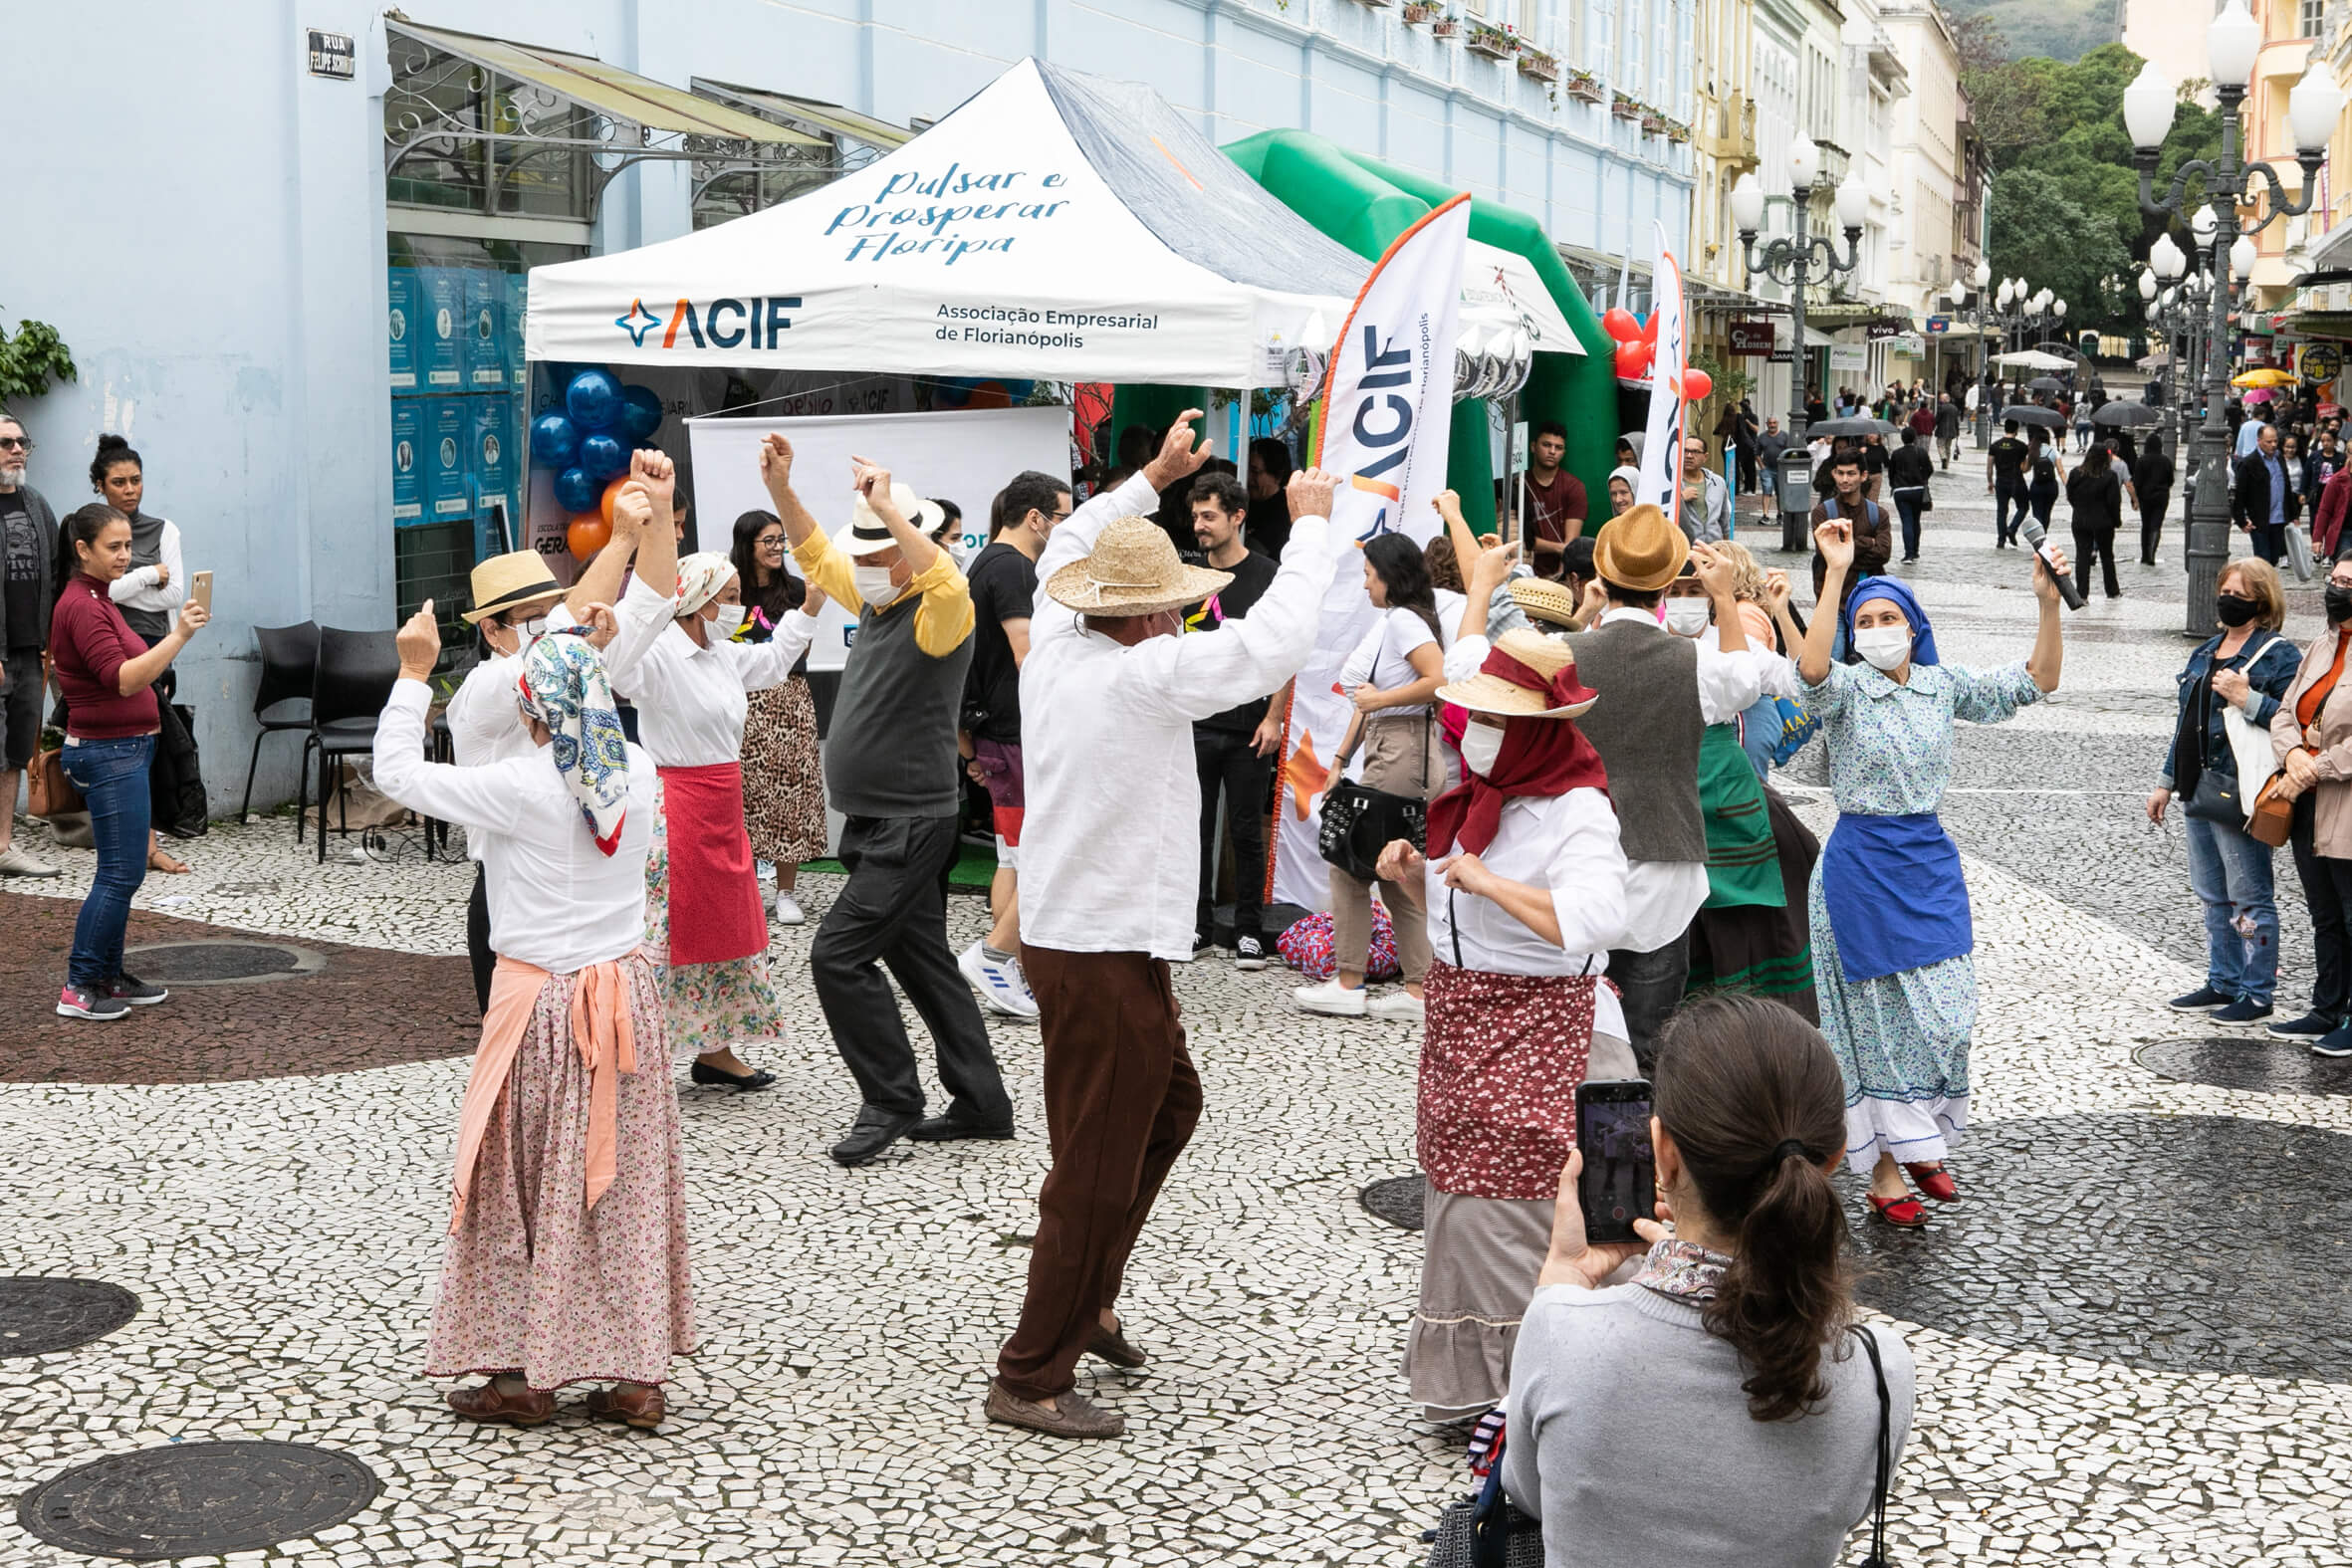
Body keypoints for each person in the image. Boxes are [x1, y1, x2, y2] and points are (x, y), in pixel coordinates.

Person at [987, 416, 1339, 1440]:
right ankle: (1031, 1370)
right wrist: (1308, 530)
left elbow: (1065, 538)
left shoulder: (1057, 644)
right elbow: (1272, 642)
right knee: (1093, 1164)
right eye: (1170, 610)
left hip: (1090, 937)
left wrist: (1152, 478)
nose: (1178, 623)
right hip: (1096, 946)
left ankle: (1088, 1298)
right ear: (1143, 619)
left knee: (1167, 1108)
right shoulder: (1141, 676)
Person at [373, 618, 692, 1431]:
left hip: (542, 1008)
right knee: (619, 1189)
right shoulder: (643, 774)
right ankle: (634, 1376)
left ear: (531, 709)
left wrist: (414, 675)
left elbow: (395, 771)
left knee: (518, 1186)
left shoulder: (521, 785)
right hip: (624, 1000)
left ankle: (524, 1377)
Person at [1504, 995, 1915, 1565]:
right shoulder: (1879, 1369)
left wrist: (1565, 1277)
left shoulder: (1562, 1330)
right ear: (1834, 1157)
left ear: (1663, 1151)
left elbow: (1527, 1491)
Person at [1370, 616, 1633, 1423]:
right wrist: (1415, 880)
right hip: (1467, 1029)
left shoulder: (1577, 810)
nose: (1474, 733)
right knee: (1466, 1200)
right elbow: (1466, 923)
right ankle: (1472, 1387)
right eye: (1474, 716)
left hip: (1548, 1030)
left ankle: (1548, 1384)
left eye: (1491, 720)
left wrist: (1487, 883)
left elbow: (1596, 918)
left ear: (1532, 731)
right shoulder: (1479, 798)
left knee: (1536, 1200)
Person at [755, 438, 1014, 1165]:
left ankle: (891, 1096)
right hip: (876, 817)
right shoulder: (879, 595)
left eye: (877, 558)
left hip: (912, 819)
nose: (861, 570)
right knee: (924, 959)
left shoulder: (940, 612)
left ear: (908, 553)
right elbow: (812, 550)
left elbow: (949, 583)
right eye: (861, 559)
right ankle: (983, 1101)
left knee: (837, 955)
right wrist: (783, 486)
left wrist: (889, 513)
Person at [1799, 521, 2065, 1226]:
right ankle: (1890, 1170)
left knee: (1948, 1014)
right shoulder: (1849, 689)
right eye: (1866, 620)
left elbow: (2037, 680)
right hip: (1857, 872)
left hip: (1927, 865)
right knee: (1878, 1028)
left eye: (1890, 618)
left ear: (1915, 629)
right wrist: (1835, 575)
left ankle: (1918, 1139)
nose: (1879, 628)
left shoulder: (1943, 686)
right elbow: (1811, 673)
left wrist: (2047, 602)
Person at [593, 461, 808, 1100]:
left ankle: (716, 1051)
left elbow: (770, 664)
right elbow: (619, 664)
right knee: (668, 928)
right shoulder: (656, 657)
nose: (738, 603)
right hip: (677, 802)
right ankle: (644, 1047)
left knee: (726, 927)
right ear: (700, 598)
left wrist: (811, 610)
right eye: (730, 593)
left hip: (722, 800)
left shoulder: (719, 653)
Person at [1565, 506, 1762, 1067]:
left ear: (1602, 580)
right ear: (1669, 587)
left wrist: (1582, 618)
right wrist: (1724, 597)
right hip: (1665, 866)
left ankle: (1579, 1149)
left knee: (1573, 1041)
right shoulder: (1694, 660)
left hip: (1576, 862)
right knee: (1648, 1045)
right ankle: (1645, 1149)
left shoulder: (1565, 656)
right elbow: (1745, 682)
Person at [49, 502, 208, 1019]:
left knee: (124, 872)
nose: (126, 557)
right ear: (82, 550)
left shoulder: (98, 598)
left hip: (124, 748)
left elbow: (136, 664)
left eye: (128, 546)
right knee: (118, 873)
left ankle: (107, 975)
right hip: (107, 752)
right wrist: (180, 635)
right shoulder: (81, 605)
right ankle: (80, 984)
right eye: (113, 547)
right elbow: (122, 678)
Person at [1294, 532, 1449, 1020]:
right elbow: (1373, 698)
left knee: (1349, 862)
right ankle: (1418, 988)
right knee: (1394, 870)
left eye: (1368, 574)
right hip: (1401, 749)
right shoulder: (1403, 620)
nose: (1364, 585)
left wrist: (1378, 702)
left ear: (1389, 575)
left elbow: (1438, 680)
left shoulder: (1404, 621)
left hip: (1400, 750)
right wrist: (1341, 758)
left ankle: (1349, 981)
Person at [1663, 559, 1821, 1024]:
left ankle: (1760, 1023)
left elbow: (1806, 680)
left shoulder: (1735, 641)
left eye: (1697, 591)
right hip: (1664, 792)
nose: (1687, 601)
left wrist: (1785, 610)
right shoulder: (1644, 643)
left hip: (1730, 792)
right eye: (1678, 590)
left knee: (1796, 858)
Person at [2150, 561, 2298, 1029]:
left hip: (2242, 790)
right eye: (2226, 590)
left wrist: (2246, 697)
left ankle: (2257, 992)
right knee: (2213, 895)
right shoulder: (2207, 651)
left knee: (2249, 896)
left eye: (2241, 592)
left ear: (2262, 601)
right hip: (2198, 788)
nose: (2229, 598)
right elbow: (2185, 725)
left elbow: (2294, 721)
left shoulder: (2277, 656)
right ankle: (2222, 979)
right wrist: (2166, 782)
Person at [959, 470, 1068, 1020]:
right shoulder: (1012, 567)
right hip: (1016, 731)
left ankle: (1007, 964)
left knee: (1014, 856)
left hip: (997, 733)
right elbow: (1027, 655)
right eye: (1062, 519)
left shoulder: (987, 562)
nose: (1065, 529)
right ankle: (998, 956)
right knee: (1036, 857)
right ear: (1035, 518)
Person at [445, 551, 573, 1012]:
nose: (545, 629)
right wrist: (619, 540)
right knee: (513, 1037)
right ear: (493, 630)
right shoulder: (491, 684)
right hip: (507, 883)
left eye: (549, 615)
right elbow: (534, 670)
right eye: (530, 619)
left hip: (561, 875)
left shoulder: (556, 667)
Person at [1186, 470, 1289, 969]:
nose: (1199, 525)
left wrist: (1274, 717)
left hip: (1250, 725)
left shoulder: (1267, 576)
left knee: (1246, 831)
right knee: (1195, 829)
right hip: (1196, 722)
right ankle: (1197, 926)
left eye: (1209, 516)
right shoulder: (1190, 576)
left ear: (1237, 517)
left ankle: (1248, 930)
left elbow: (1286, 652)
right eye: (1196, 516)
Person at [88, 436, 202, 868]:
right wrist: (148, 574)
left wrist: (124, 588)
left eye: (136, 480)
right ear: (100, 485)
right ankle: (116, 839)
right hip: (104, 647)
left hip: (155, 646)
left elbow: (173, 594)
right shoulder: (88, 529)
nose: (130, 489)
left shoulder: (163, 529)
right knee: (109, 745)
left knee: (150, 745)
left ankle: (150, 845)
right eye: (119, 482)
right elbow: (98, 594)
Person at [729, 509, 829, 929]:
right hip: (738, 700)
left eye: (780, 540)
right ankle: (746, 887)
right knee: (743, 795)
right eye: (767, 540)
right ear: (747, 545)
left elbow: (800, 649)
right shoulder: (729, 591)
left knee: (790, 795)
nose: (776, 548)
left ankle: (785, 892)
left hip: (788, 697)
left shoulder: (794, 589)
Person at [2269, 559, 2352, 1058]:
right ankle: (2326, 1006)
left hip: (2342, 801)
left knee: (2351, 913)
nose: (2337, 589)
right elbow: (2285, 714)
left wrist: (2316, 768)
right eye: (2335, 580)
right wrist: (2295, 755)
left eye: (2349, 584)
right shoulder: (2323, 643)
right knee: (2323, 912)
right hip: (2306, 803)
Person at [0, 412, 60, 877]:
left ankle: (3, 847)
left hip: (30, 651)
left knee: (16, 750)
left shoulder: (37, 504)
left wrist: (51, 641)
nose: (17, 451)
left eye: (22, 443)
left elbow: (57, 574)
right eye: (6, 443)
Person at [1808, 453, 1892, 656]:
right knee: (1834, 662)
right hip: (1833, 600)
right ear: (1834, 474)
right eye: (1841, 473)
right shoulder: (1822, 513)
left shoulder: (1878, 514)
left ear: (1863, 476)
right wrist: (1868, 542)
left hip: (1868, 602)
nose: (1845, 479)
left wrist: (1845, 548)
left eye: (1851, 474)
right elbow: (1828, 554)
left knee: (1868, 662)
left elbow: (1883, 553)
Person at [1520, 421, 1588, 580]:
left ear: (1563, 452)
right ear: (1533, 447)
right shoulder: (1520, 485)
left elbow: (1570, 543)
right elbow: (1520, 540)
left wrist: (1561, 576)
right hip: (1525, 571)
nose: (1552, 451)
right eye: (1546, 445)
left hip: (1560, 574)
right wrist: (1558, 548)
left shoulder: (1574, 486)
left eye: (1558, 447)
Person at [2066, 442, 2127, 601]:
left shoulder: (2075, 473)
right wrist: (2116, 520)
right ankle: (2112, 590)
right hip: (2103, 522)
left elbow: (2070, 495)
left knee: (2082, 556)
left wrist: (2079, 508)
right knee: (2107, 556)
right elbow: (2114, 502)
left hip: (2080, 520)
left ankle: (2081, 594)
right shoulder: (2109, 476)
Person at [2234, 423, 2297, 567]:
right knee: (2263, 560)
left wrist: (2293, 514)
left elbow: (2286, 486)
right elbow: (2240, 494)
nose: (2273, 445)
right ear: (2259, 441)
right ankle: (2262, 588)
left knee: (2274, 558)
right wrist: (2241, 520)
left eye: (2275, 441)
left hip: (2279, 518)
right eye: (2269, 442)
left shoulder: (2279, 458)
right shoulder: (2249, 463)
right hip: (2260, 520)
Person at [1885, 429, 1934, 564]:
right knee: (1915, 520)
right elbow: (1929, 469)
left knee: (1906, 521)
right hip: (1918, 490)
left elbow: (1891, 472)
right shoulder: (1921, 452)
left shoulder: (1896, 454)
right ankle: (1915, 551)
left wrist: (1894, 484)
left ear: (1902, 438)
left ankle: (1908, 554)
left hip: (1901, 491)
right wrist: (1923, 479)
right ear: (1915, 438)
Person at [1244, 437, 1295, 560]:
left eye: (1255, 471)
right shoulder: (1243, 501)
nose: (1248, 478)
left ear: (1277, 475)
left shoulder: (1284, 510)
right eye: (1246, 470)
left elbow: (1254, 552)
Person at [1676, 435, 1732, 545]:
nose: (1689, 455)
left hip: (1713, 547)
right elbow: (1663, 515)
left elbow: (1724, 520)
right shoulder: (1672, 483)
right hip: (1684, 549)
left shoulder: (1718, 482)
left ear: (1705, 457)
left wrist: (1726, 548)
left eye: (1695, 452)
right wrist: (1681, 499)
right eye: (1685, 450)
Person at [1986, 419, 2030, 549]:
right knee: (2023, 507)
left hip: (2001, 481)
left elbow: (1989, 467)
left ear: (2005, 428)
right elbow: (2024, 468)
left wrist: (1990, 481)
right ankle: (2012, 528)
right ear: (2016, 430)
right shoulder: (2022, 446)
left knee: (2001, 511)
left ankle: (2001, 540)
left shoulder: (1995, 445)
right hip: (2017, 481)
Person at [2134, 433, 2176, 566]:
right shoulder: (2165, 460)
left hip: (2145, 496)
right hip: (2161, 496)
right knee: (2156, 524)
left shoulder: (2142, 460)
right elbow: (2171, 480)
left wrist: (2135, 498)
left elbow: (2137, 481)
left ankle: (2145, 555)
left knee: (2145, 525)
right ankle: (2152, 552)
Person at [2024, 427, 2065, 542]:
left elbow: (2025, 469)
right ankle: (2044, 535)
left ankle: (2038, 538)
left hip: (2037, 486)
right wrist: (2067, 485)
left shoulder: (2033, 451)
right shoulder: (2053, 451)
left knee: (2037, 513)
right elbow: (2061, 471)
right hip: (2051, 486)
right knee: (2047, 512)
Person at [1757, 417, 1789, 506]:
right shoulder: (1762, 437)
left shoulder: (1785, 436)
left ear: (1778, 423)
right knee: (1767, 491)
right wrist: (1762, 467)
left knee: (1780, 493)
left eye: (1774, 423)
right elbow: (1757, 453)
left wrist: (1786, 466)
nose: (1772, 425)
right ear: (1766, 424)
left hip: (1781, 469)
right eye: (1770, 423)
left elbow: (1790, 452)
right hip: (1767, 468)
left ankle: (1779, 513)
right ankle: (1765, 515)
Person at [1934, 392, 1962, 470]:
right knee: (1948, 447)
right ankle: (1947, 463)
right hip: (1951, 431)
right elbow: (1956, 421)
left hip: (1942, 431)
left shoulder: (1941, 408)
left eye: (1941, 398)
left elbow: (1937, 420)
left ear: (1945, 399)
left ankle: (1943, 457)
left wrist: (1932, 427)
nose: (1940, 400)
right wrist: (1957, 431)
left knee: (1940, 445)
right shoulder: (1955, 408)